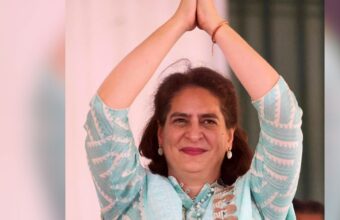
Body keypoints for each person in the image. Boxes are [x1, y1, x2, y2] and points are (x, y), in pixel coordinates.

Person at [84, 0, 303, 219]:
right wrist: (179, 22)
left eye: (208, 121)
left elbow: (283, 118)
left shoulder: (260, 199)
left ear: (229, 137)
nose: (194, 133)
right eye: (180, 120)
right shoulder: (127, 197)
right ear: (161, 134)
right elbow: (104, 115)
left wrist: (216, 26)